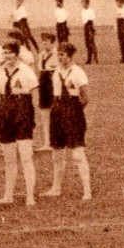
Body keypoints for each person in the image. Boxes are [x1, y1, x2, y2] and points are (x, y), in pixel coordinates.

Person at [42, 44, 91, 201]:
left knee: (77, 154)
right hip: (57, 112)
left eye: (63, 55)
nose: (60, 57)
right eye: (59, 55)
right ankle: (56, 188)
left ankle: (87, 190)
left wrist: (73, 112)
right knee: (57, 153)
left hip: (72, 112)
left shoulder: (78, 73)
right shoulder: (56, 71)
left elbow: (85, 98)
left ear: (70, 56)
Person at [0, 43, 39, 207]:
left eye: (10, 53)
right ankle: (8, 195)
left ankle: (30, 196)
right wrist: (3, 110)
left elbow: (34, 93)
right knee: (9, 158)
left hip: (22, 110)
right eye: (5, 53)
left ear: (17, 54)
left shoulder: (26, 71)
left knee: (26, 156)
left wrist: (30, 114)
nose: (7, 56)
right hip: (6, 111)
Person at [34, 30, 57, 152]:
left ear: (52, 43)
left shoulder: (57, 54)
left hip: (53, 83)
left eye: (47, 42)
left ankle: (57, 140)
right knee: (44, 114)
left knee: (56, 113)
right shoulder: (41, 54)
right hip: (43, 84)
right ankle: (47, 142)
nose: (45, 45)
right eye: (43, 42)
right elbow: (39, 70)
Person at [79, 0, 99, 64]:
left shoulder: (91, 11)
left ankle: (96, 59)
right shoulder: (82, 11)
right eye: (82, 3)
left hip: (90, 27)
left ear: (87, 4)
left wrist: (91, 31)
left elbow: (91, 21)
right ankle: (89, 59)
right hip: (85, 27)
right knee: (87, 44)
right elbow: (84, 21)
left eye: (84, 3)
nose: (83, 5)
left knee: (92, 44)